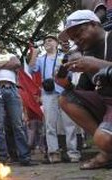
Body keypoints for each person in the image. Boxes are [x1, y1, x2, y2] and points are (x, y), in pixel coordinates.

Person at [57, 9, 112, 170]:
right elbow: (82, 90)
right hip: (106, 103)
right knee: (66, 98)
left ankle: (106, 148)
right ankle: (107, 151)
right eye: (73, 38)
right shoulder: (87, 53)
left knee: (104, 139)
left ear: (94, 24)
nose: (77, 40)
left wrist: (97, 64)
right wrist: (65, 84)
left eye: (79, 33)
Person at [0, 36, 33, 166]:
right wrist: (5, 64)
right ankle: (2, 157)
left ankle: (24, 157)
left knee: (18, 124)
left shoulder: (11, 55)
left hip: (12, 89)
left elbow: (17, 64)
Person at [28, 35, 81, 163]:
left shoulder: (64, 57)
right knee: (50, 125)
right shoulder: (41, 59)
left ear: (56, 44)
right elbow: (31, 69)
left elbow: (72, 72)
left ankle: (73, 153)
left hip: (64, 92)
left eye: (50, 40)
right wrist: (34, 53)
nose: (47, 43)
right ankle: (53, 154)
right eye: (45, 41)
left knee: (69, 124)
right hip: (48, 94)